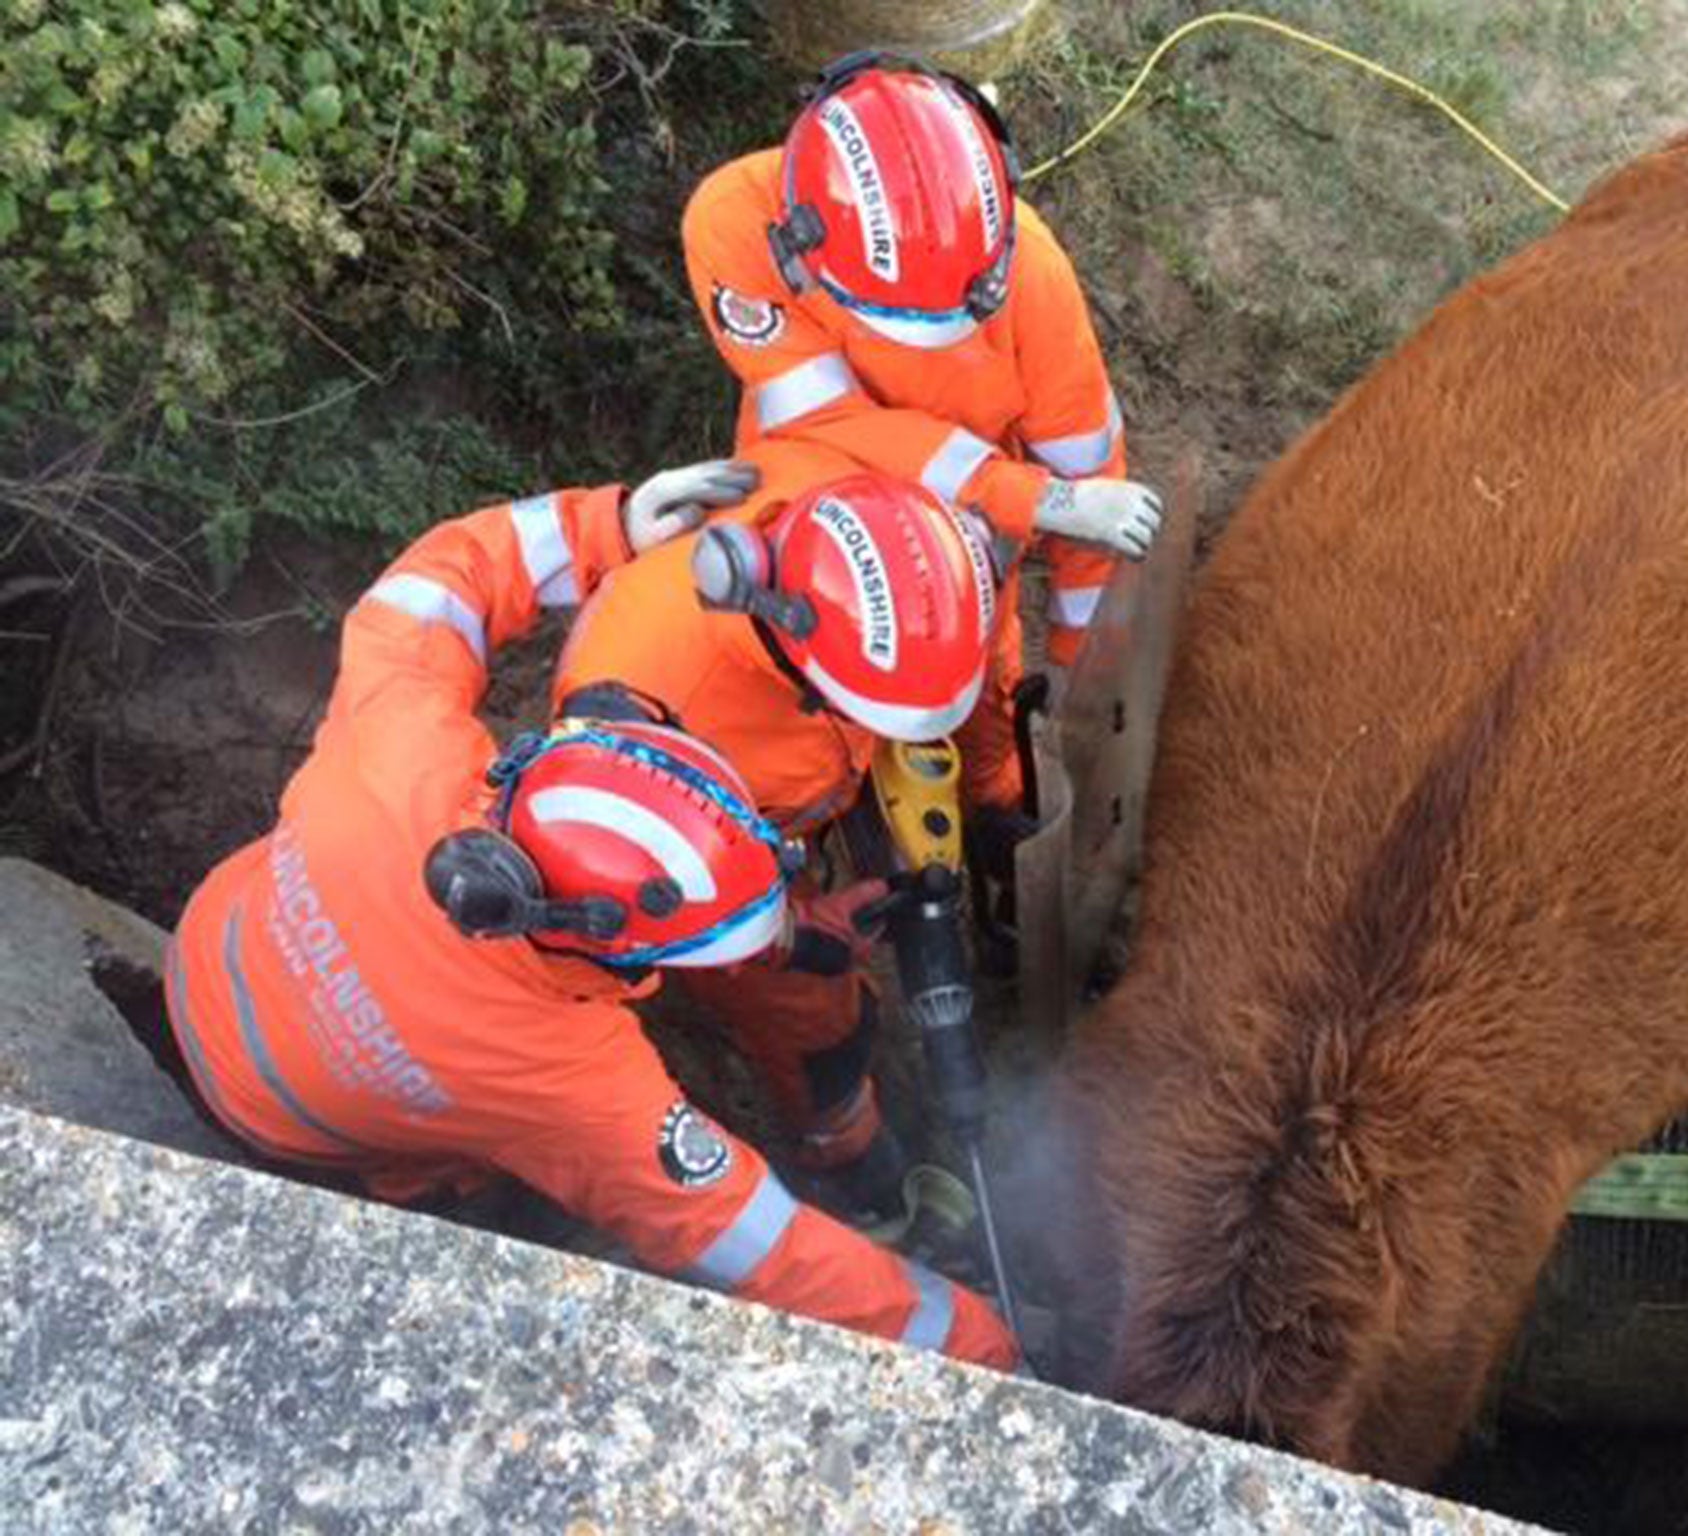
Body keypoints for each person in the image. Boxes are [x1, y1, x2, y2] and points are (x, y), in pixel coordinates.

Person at [161, 460, 1018, 1370]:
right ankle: (448, 1181)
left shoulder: (405, 749)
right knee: (498, 1183)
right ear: (620, 957)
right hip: (281, 1117)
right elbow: (761, 1246)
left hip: (213, 948)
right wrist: (980, 1341)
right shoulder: (569, 1082)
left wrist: (601, 530)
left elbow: (432, 587)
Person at [679, 50, 1163, 816]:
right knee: (796, 696)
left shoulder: (1031, 283)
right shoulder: (736, 221)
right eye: (899, 324)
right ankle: (830, 802)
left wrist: (1079, 672)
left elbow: (1094, 490)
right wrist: (1031, 498)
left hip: (965, 545)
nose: (927, 341)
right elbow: (825, 424)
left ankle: (994, 800)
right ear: (799, 253)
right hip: (809, 512)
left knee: (974, 692)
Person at [554, 447, 1006, 1221]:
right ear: (796, 647)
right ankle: (848, 1165)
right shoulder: (639, 727)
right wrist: (797, 933)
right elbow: (668, 907)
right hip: (711, 845)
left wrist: (992, 793)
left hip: (802, 769)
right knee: (809, 1018)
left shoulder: (888, 541)